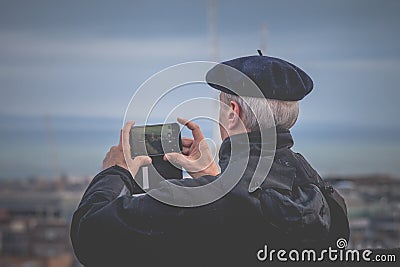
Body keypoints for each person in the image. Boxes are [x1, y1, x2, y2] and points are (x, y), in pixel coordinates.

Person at [70, 54, 349, 266]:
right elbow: (249, 208)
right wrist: (211, 174)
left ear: (232, 111)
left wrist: (115, 172)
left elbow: (90, 237)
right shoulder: (316, 187)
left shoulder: (207, 201)